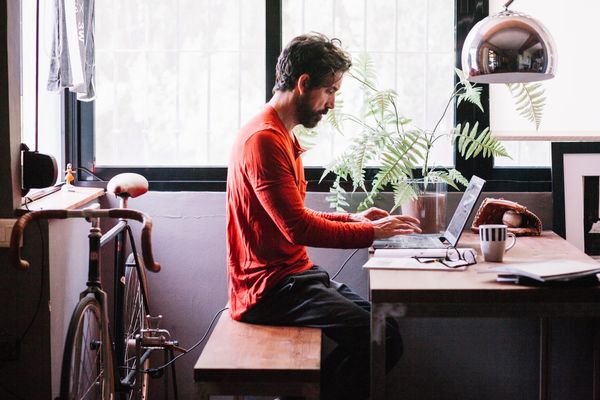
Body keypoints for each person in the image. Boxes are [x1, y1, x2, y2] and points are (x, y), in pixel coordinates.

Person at [226, 32, 421, 400]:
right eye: (330, 91)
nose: (331, 104)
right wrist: (370, 233)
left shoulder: (280, 134)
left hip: (295, 278)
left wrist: (357, 219)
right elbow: (297, 227)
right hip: (270, 290)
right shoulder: (263, 139)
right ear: (303, 84)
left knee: (386, 329)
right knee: (384, 339)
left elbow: (292, 215)